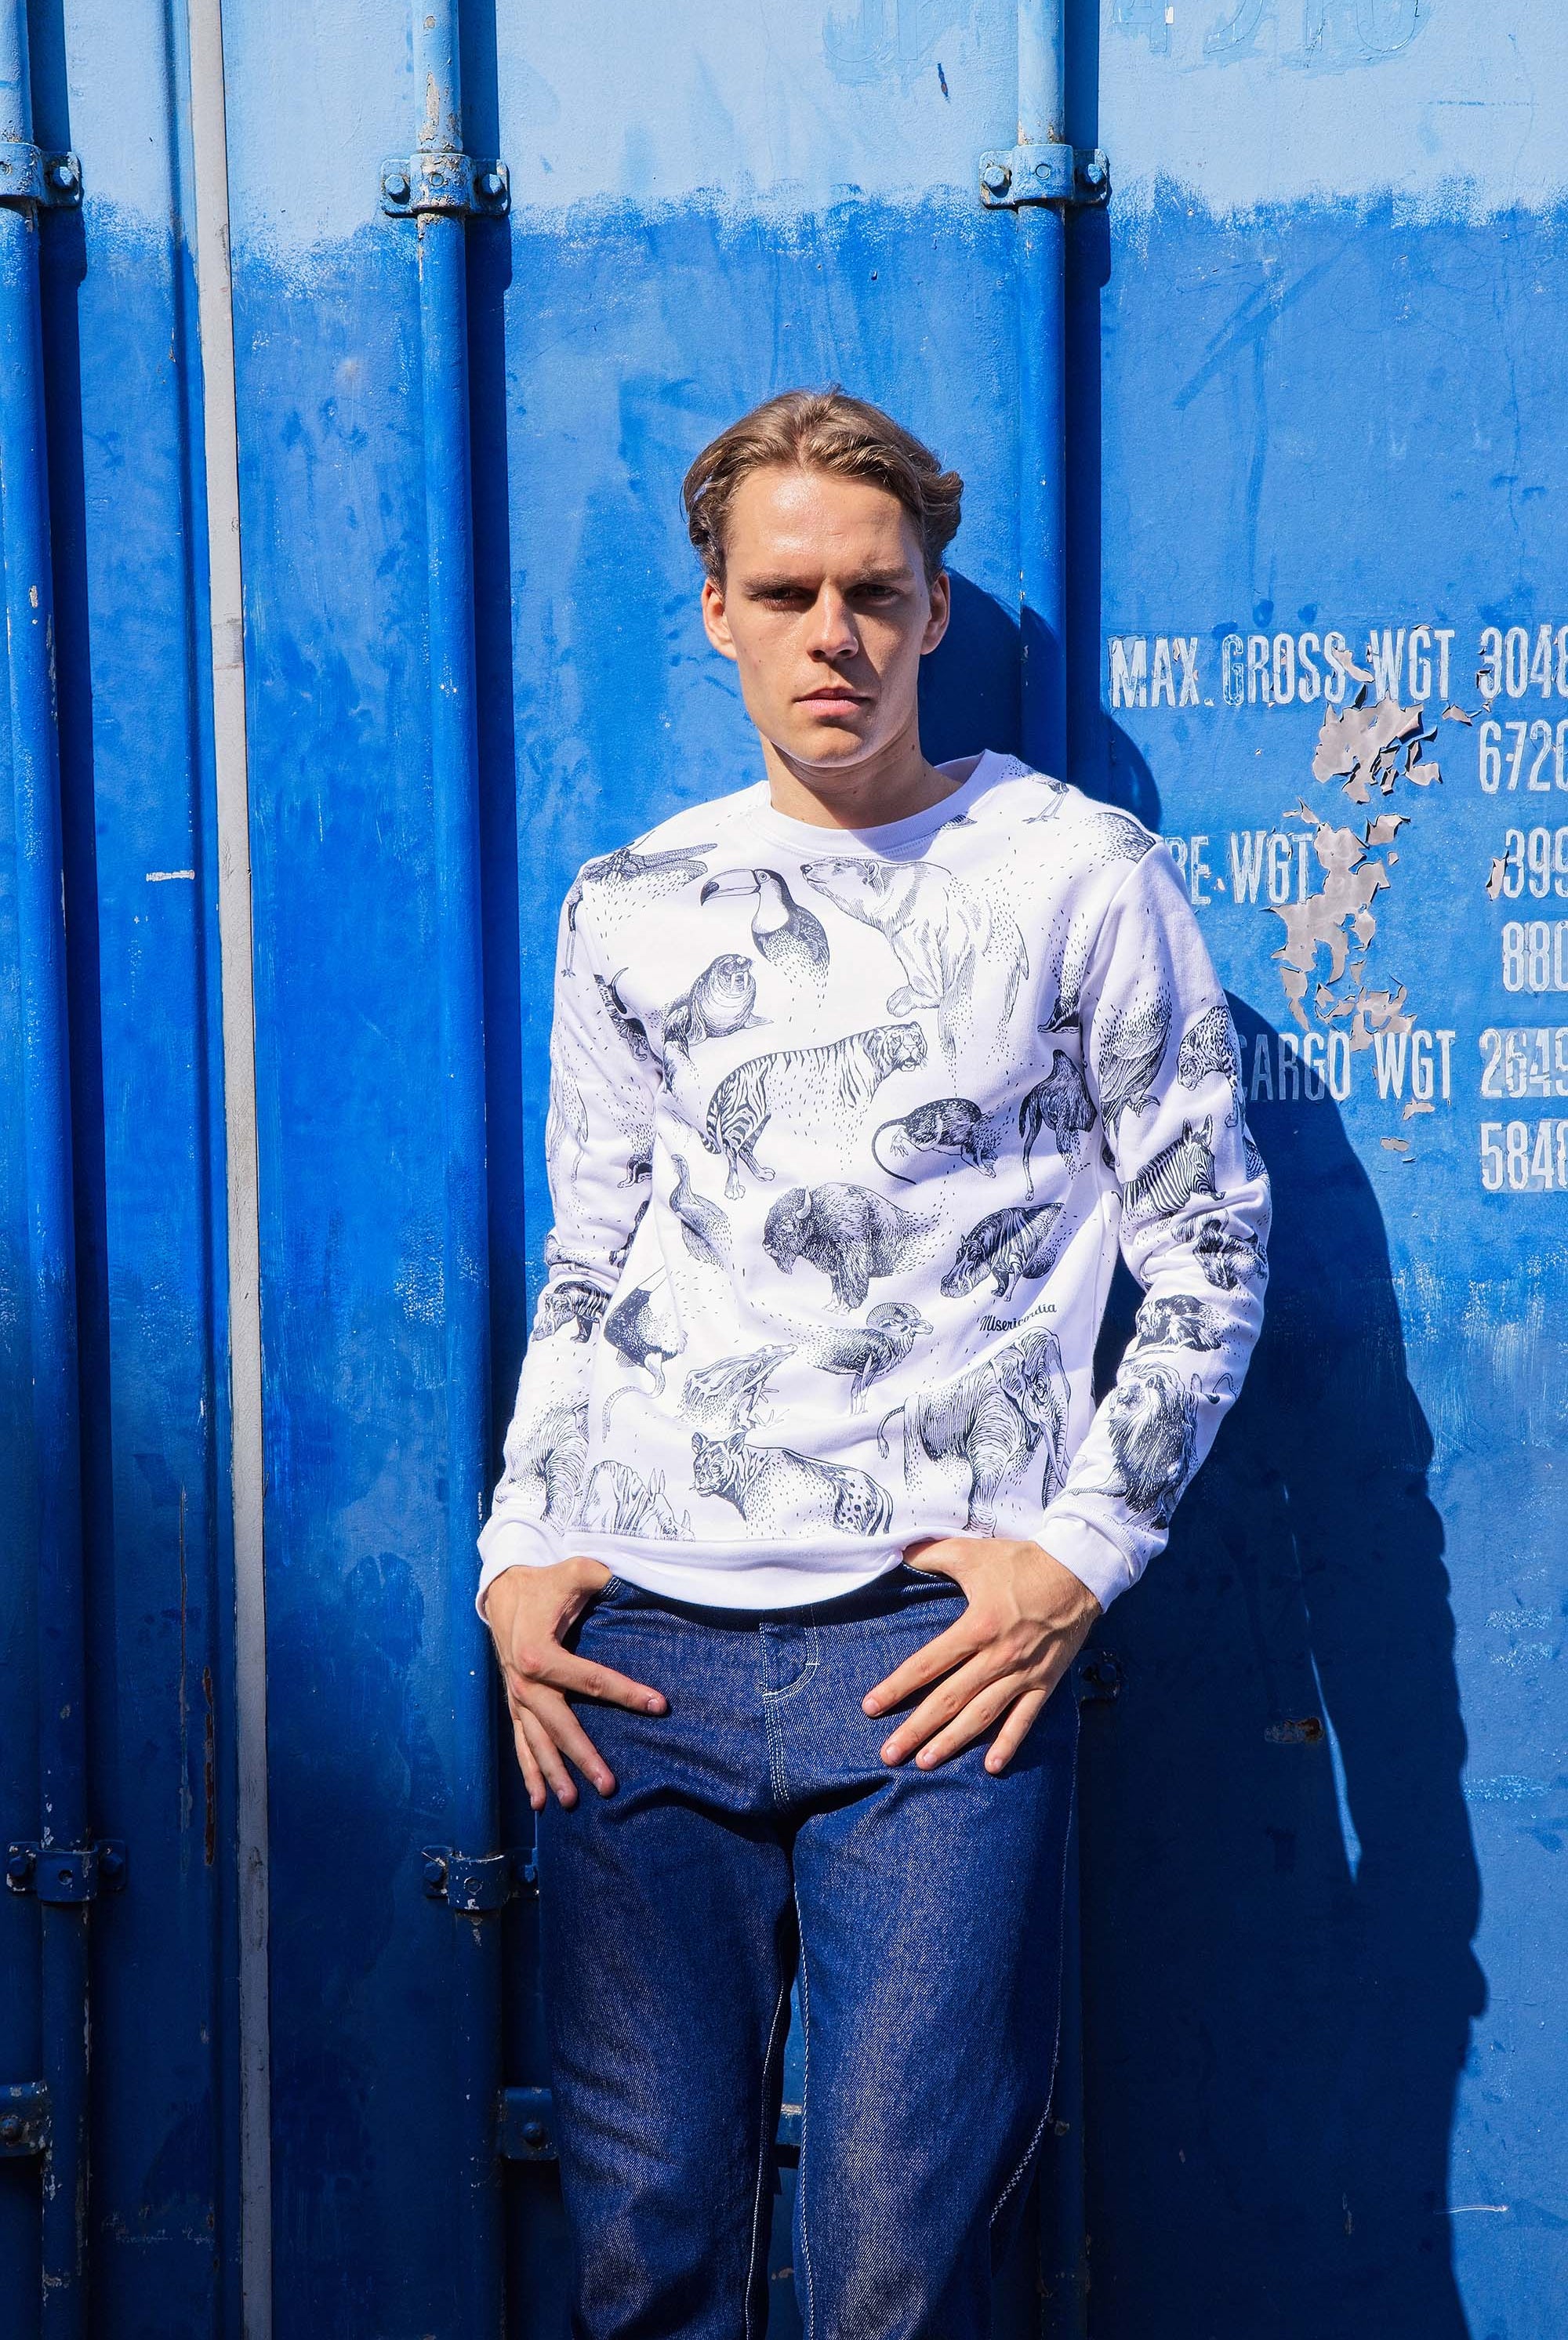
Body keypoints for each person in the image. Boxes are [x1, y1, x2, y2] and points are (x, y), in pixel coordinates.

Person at [477, 387, 1270, 2338]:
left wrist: (1077, 1555)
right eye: (785, 592)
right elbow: (594, 1249)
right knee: (644, 2250)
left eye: (870, 590)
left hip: (935, 1659)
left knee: (900, 2266)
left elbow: (1207, 1239)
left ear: (929, 611)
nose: (830, 632)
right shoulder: (632, 903)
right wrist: (515, 1547)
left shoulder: (1074, 872)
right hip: (634, 1653)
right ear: (717, 614)